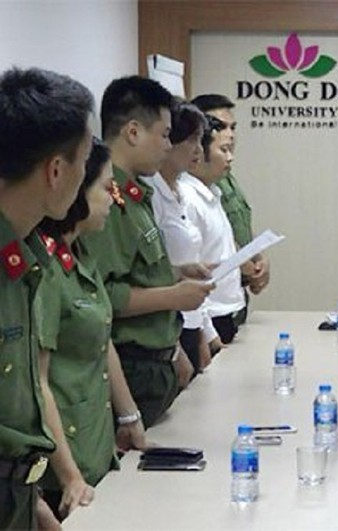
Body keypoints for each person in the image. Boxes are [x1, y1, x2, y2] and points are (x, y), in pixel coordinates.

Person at [81, 76, 213, 428]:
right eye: (165, 134)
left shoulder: (137, 195)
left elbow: (138, 271)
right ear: (133, 132)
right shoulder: (105, 203)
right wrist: (173, 296)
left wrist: (178, 273)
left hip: (156, 361)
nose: (169, 146)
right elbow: (101, 295)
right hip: (130, 365)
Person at [0, 67, 94, 530]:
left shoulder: (25, 256)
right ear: (56, 171)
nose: (87, 176)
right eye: (85, 160)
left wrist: (26, 492)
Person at [36, 138, 146, 520]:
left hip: (96, 448)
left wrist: (129, 417)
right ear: (75, 190)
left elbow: (103, 339)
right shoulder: (45, 269)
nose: (115, 199)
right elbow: (38, 382)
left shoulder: (80, 254)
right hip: (63, 470)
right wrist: (70, 477)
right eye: (105, 187)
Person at [145, 101, 220, 373]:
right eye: (191, 140)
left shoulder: (182, 192)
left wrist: (205, 332)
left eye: (201, 140)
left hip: (191, 319)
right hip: (167, 327)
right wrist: (177, 348)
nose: (199, 150)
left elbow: (192, 268)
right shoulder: (151, 194)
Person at [191, 94, 270, 323]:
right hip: (208, 305)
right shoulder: (191, 186)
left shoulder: (224, 178)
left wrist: (259, 258)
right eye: (221, 126)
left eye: (233, 127)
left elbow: (238, 227)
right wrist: (241, 262)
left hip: (233, 296)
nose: (230, 134)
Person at [182, 115, 246, 344]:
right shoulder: (188, 198)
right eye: (223, 150)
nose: (230, 158)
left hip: (225, 312)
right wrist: (207, 333)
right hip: (207, 318)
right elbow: (192, 269)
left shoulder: (212, 192)